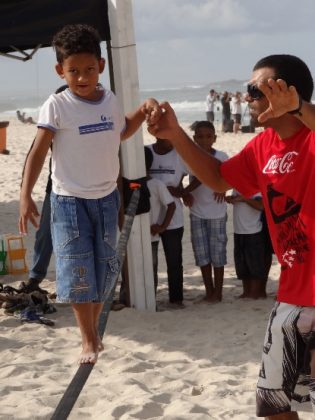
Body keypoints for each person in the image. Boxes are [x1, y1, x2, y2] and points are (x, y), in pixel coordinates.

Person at [147, 54, 315, 418]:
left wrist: (301, 108)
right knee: (272, 404)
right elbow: (220, 178)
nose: (249, 96)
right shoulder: (262, 145)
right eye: (247, 90)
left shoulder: (311, 139)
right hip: (291, 294)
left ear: (289, 91)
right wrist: (175, 135)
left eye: (257, 89)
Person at [19, 23, 161, 365]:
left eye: (88, 70)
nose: (81, 77)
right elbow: (38, 152)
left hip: (106, 198)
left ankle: (93, 331)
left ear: (101, 65)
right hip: (68, 201)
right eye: (73, 71)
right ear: (60, 70)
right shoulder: (57, 106)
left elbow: (120, 131)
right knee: (77, 270)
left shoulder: (109, 100)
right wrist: (26, 195)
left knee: (102, 268)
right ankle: (88, 339)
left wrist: (143, 111)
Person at [19, 85, 69, 294]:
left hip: (87, 189)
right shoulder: (52, 123)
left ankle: (74, 282)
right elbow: (34, 154)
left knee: (75, 237)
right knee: (45, 233)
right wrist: (25, 194)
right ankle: (35, 278)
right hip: (56, 187)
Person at [184, 121, 228, 303]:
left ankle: (218, 292)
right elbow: (180, 177)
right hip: (197, 212)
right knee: (202, 254)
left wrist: (223, 188)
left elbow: (232, 176)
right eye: (200, 136)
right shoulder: (189, 157)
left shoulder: (222, 156)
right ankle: (209, 291)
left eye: (208, 136)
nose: (204, 140)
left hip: (217, 213)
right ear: (194, 139)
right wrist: (184, 194)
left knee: (218, 254)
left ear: (214, 138)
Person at [146, 138, 190, 308]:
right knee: (150, 263)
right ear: (157, 134)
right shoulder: (146, 152)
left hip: (173, 218)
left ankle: (176, 299)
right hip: (150, 220)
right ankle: (149, 299)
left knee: (174, 261)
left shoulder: (180, 155)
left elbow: (198, 174)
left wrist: (184, 191)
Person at [226, 191, 272, 299]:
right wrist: (232, 199)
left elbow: (261, 206)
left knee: (255, 265)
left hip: (254, 230)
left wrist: (243, 198)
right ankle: (246, 292)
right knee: (242, 264)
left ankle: (256, 292)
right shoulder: (237, 185)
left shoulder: (254, 187)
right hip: (239, 230)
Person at [144, 147, 176, 293]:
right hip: (132, 237)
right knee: (130, 270)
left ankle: (151, 301)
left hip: (151, 237)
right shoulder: (130, 184)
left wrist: (162, 226)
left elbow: (171, 205)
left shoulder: (156, 185)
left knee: (151, 270)